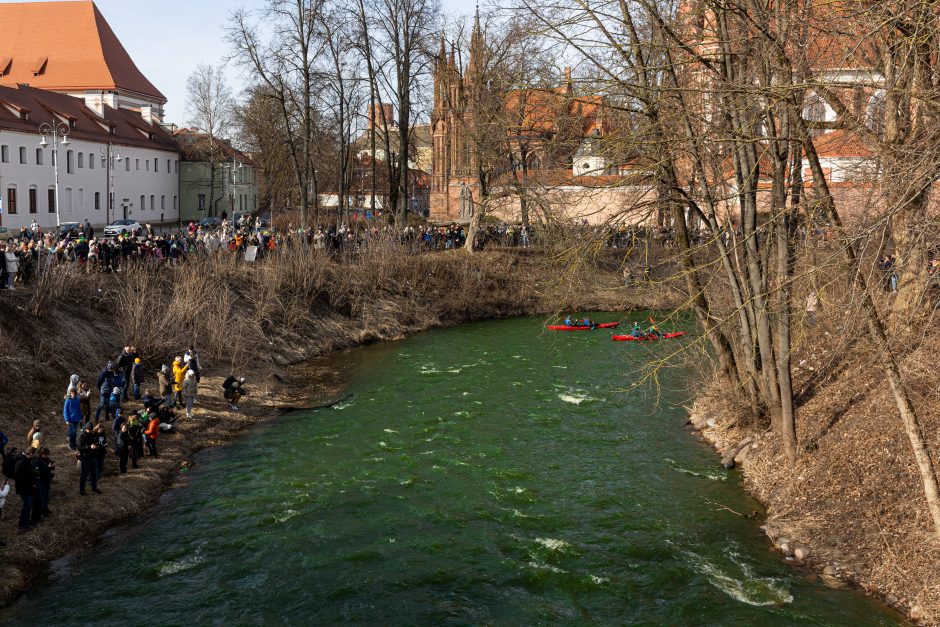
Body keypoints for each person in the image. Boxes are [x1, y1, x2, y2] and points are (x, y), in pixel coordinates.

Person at [14, 448, 37, 530]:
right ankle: (23, 524)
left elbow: (29, 475)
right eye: (34, 454)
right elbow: (19, 478)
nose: (35, 455)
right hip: (24, 489)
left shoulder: (27, 461)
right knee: (27, 505)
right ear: (30, 453)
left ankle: (26, 521)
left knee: (29, 505)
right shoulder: (21, 463)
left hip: (28, 488)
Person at [77, 422, 101, 495]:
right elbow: (80, 447)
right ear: (85, 429)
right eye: (89, 430)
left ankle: (94, 488)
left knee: (94, 474)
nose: (90, 431)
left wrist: (97, 446)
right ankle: (82, 490)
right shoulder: (81, 436)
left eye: (91, 430)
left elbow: (96, 441)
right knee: (84, 474)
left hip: (93, 456)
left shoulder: (93, 434)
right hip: (85, 457)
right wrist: (89, 447)